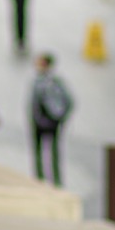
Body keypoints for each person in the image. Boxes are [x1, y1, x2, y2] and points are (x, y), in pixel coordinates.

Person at [29, 52, 73, 186]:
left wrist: (59, 117)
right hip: (40, 120)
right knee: (40, 151)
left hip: (50, 120)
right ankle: (41, 178)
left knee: (52, 151)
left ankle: (54, 179)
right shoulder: (37, 81)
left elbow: (68, 101)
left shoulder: (54, 82)